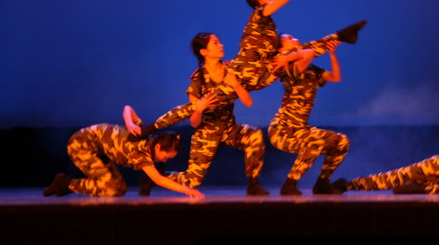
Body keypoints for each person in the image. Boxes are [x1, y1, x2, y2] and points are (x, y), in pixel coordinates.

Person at [229, 0, 366, 92]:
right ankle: (341, 36)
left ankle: (341, 36)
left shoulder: (269, 29)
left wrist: (333, 46)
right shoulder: (258, 15)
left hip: (259, 77)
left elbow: (300, 52)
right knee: (296, 53)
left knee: (296, 51)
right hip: (243, 72)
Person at [153, 32, 269, 196]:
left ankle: (253, 184)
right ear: (204, 51)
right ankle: (156, 178)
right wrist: (199, 109)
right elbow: (194, 122)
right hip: (206, 132)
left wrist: (235, 84)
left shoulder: (230, 70)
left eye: (220, 42)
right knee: (193, 181)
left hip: (229, 129)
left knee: (254, 135)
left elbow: (248, 102)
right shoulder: (198, 79)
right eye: (215, 43)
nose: (221, 45)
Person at [269, 34, 350, 195]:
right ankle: (289, 184)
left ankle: (322, 184)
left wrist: (332, 54)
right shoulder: (288, 67)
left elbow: (335, 77)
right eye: (290, 39)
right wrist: (288, 57)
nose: (296, 39)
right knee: (315, 142)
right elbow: (309, 52)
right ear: (281, 49)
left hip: (301, 129)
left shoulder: (311, 69)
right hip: (283, 130)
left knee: (341, 142)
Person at [43, 120, 204, 198]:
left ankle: (66, 184)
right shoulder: (140, 151)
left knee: (119, 189)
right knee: (111, 189)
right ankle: (66, 184)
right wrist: (188, 191)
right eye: (165, 156)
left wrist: (130, 121)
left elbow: (128, 108)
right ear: (157, 147)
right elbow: (158, 179)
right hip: (80, 146)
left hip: (98, 149)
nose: (164, 160)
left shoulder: (144, 134)